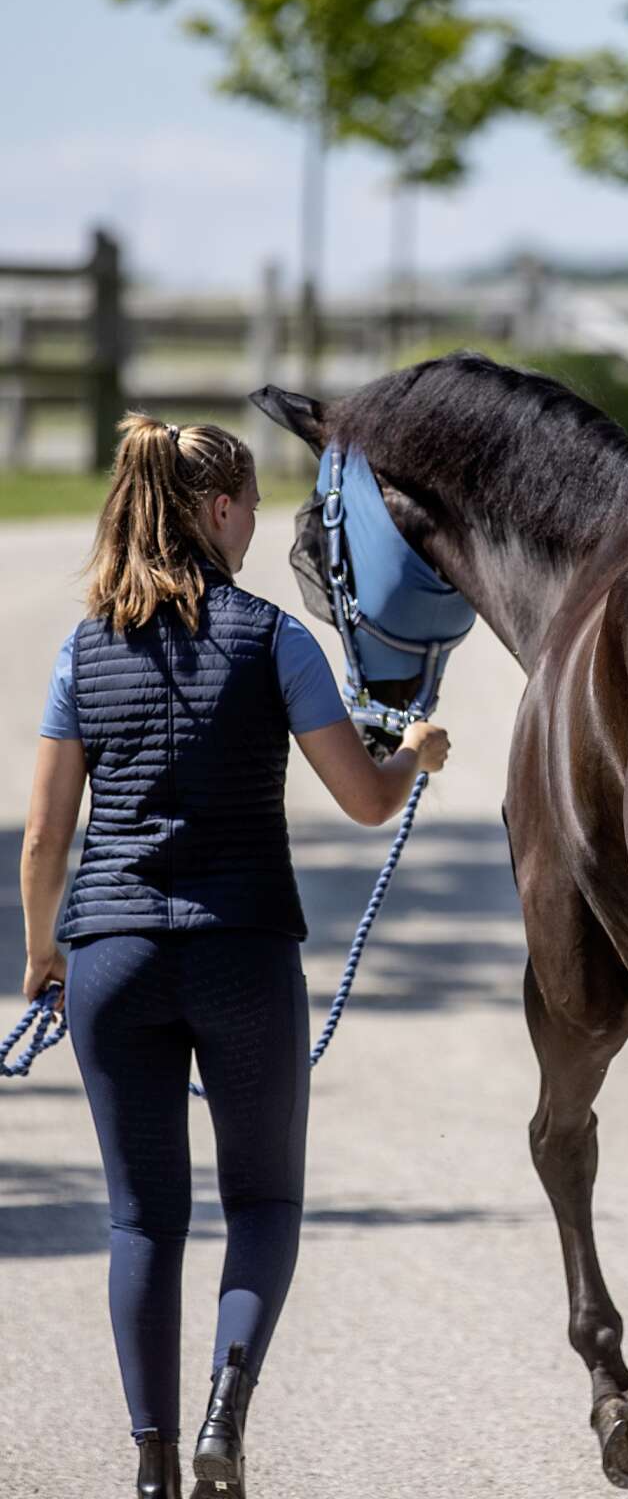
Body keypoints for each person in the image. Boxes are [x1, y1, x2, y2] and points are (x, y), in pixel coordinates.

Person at [19, 413, 449, 1499]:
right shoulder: (273, 639)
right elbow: (361, 799)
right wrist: (416, 759)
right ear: (216, 510)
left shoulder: (84, 646)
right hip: (241, 951)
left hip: (111, 955)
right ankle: (225, 1417)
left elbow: (44, 838)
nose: (256, 527)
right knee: (261, 1203)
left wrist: (42, 957)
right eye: (253, 507)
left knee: (139, 1215)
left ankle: (154, 1464)